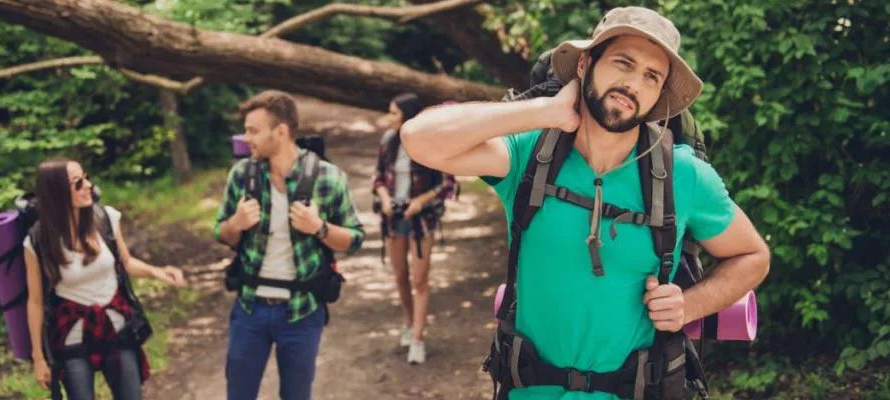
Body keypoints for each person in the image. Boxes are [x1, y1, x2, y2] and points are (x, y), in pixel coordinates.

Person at [400, 7, 770, 398]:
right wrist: (547, 111)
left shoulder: (684, 176)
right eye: (622, 63)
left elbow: (753, 256)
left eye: (651, 76)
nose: (633, 84)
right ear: (584, 64)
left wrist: (691, 305)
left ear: (660, 94)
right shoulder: (530, 154)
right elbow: (418, 137)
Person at [214, 90, 364, 400]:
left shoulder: (328, 177)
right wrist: (236, 224)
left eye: (253, 131)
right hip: (249, 308)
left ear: (280, 132)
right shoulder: (242, 174)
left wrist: (319, 228)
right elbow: (222, 233)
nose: (245, 138)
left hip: (302, 311)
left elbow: (354, 239)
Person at [24, 157, 186, 400]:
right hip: (72, 336)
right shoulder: (38, 241)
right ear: (57, 193)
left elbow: (127, 261)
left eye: (86, 178)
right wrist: (38, 358)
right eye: (77, 183)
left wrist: (158, 271)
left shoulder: (106, 219)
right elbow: (35, 302)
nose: (88, 185)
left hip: (116, 327)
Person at [372, 93, 455, 364]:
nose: (390, 118)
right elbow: (378, 178)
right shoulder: (388, 141)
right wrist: (385, 199)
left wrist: (419, 202)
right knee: (399, 274)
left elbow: (446, 184)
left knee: (420, 279)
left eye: (394, 113)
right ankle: (408, 323)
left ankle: (418, 338)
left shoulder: (429, 142)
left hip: (422, 221)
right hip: (394, 218)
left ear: (408, 116)